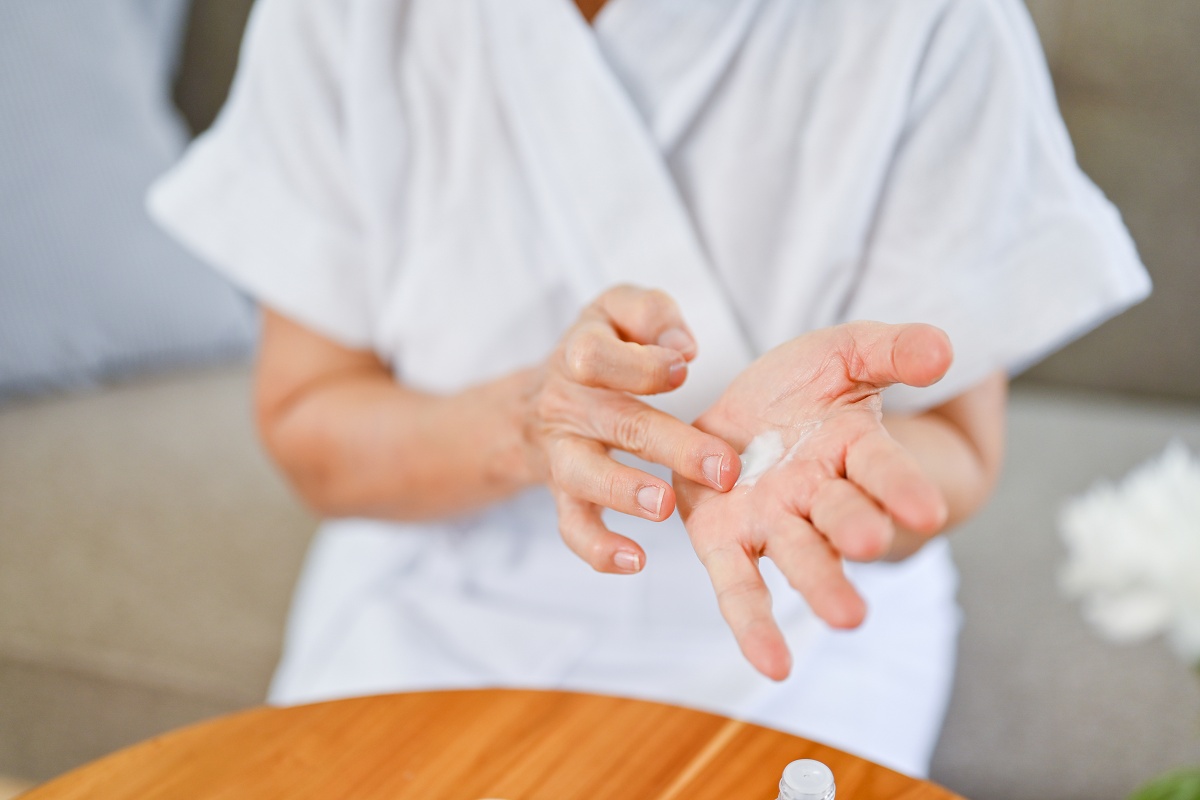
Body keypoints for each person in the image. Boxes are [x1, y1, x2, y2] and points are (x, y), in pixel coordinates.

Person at [148, 0, 1150, 777]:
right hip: (428, 606)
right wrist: (528, 427)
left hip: (790, 634)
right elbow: (309, 418)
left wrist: (822, 474)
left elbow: (958, 449)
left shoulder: (933, 23)